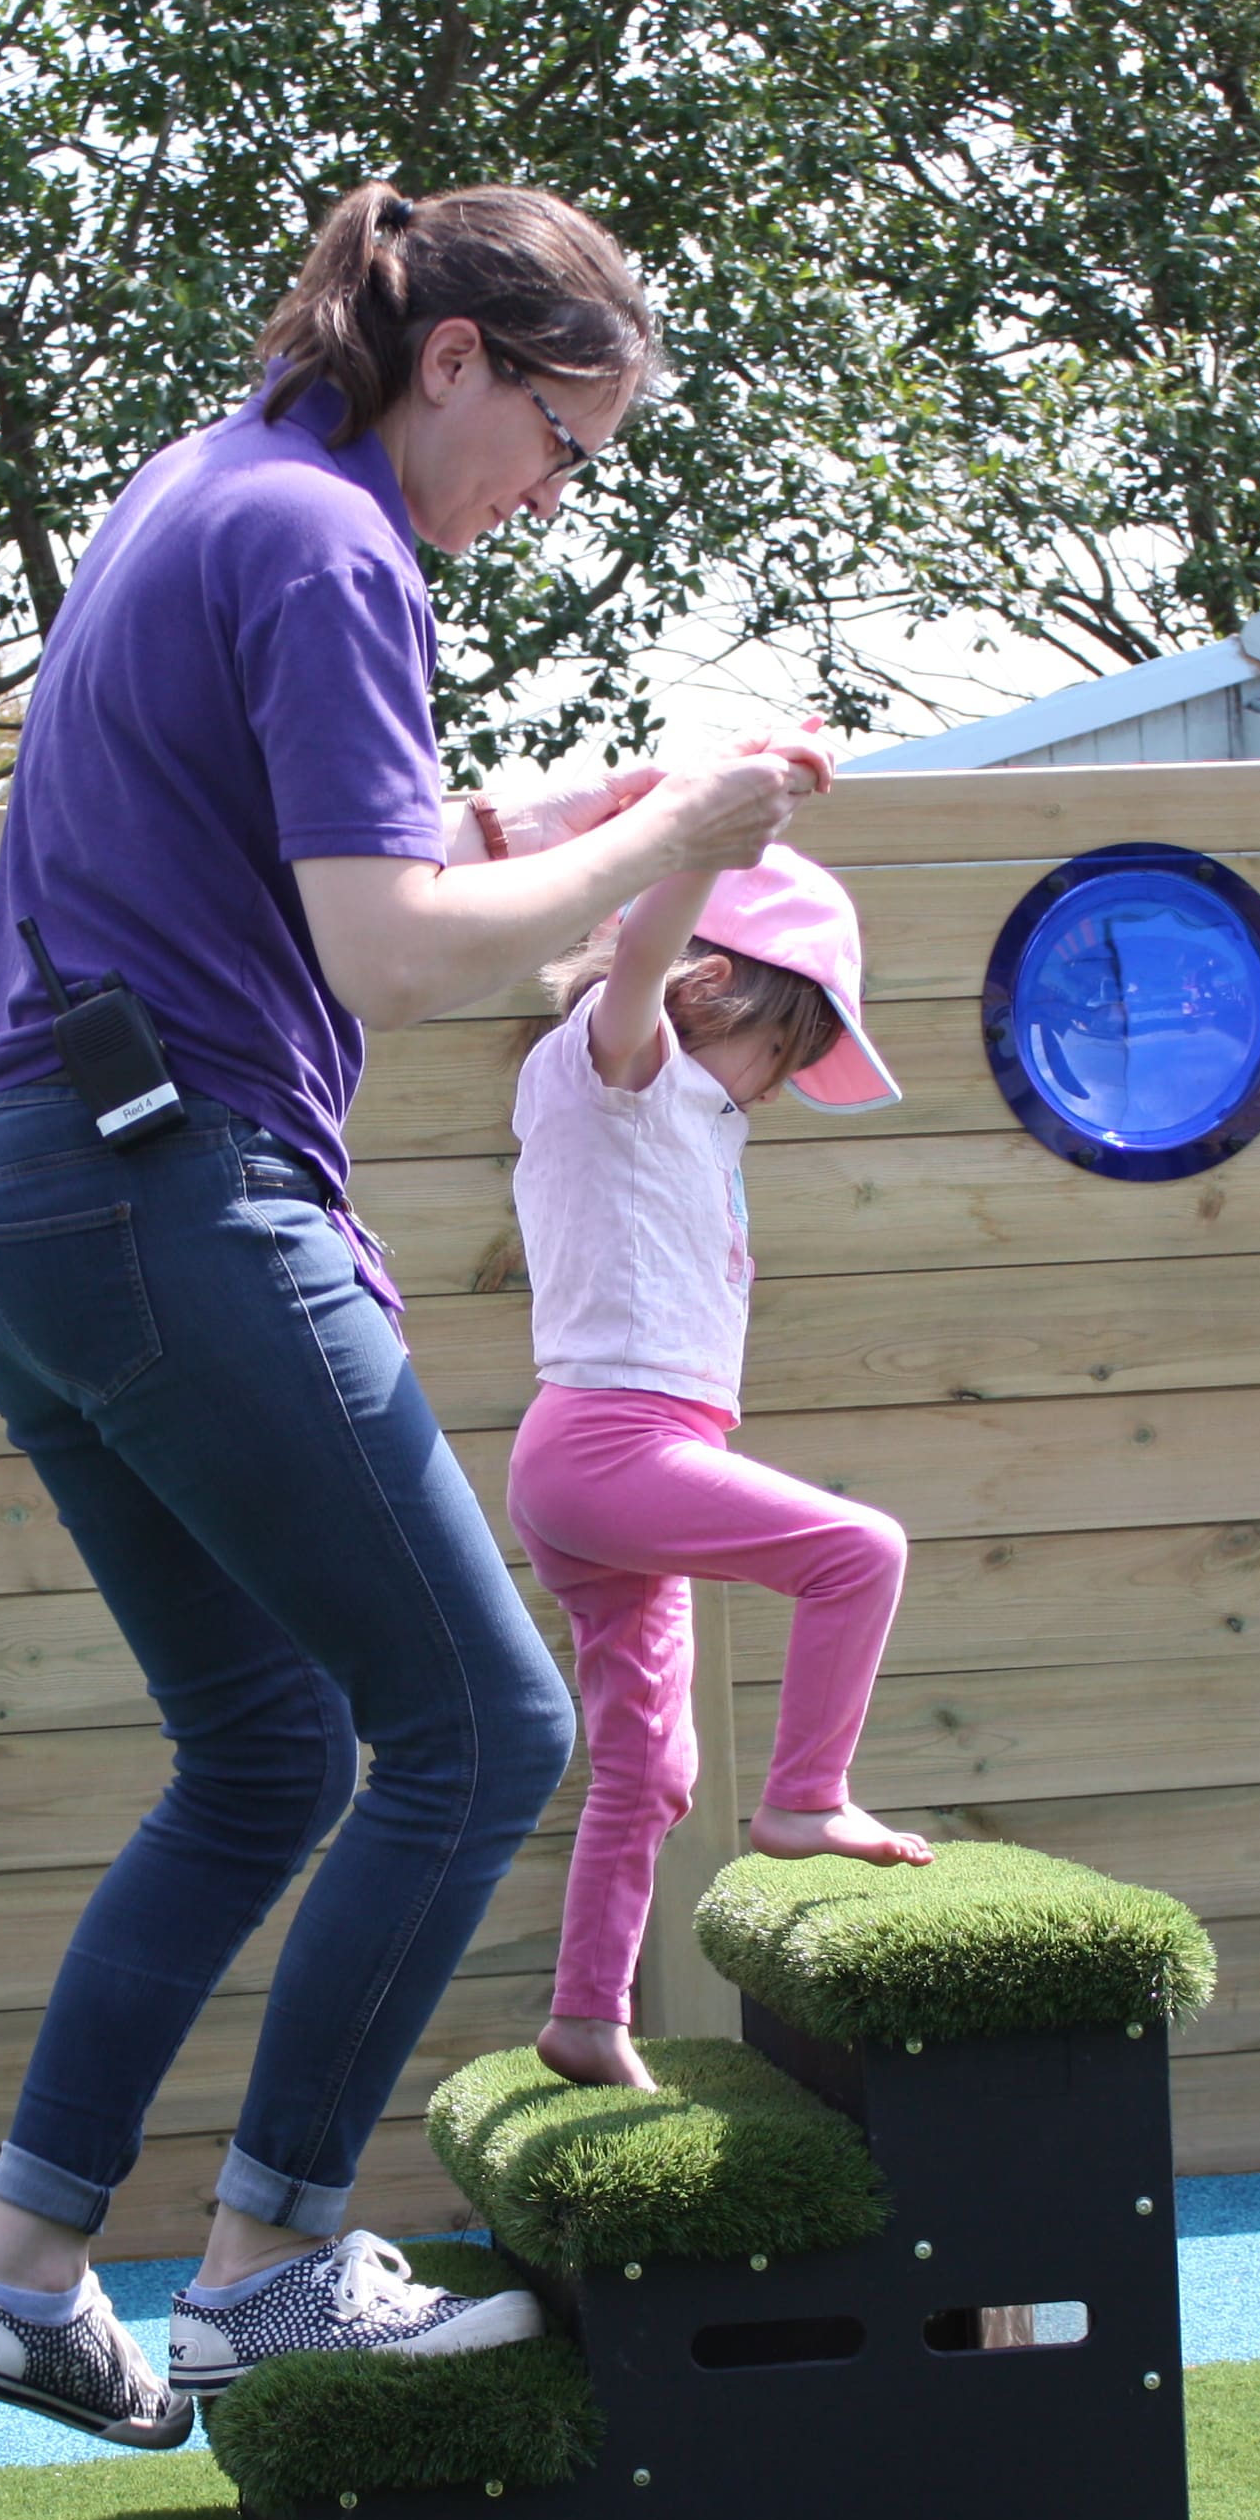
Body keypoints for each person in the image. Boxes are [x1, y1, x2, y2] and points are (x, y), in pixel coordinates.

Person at [0, 181, 833, 2447]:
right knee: (488, 1730)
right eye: (561, 440)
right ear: (455, 363)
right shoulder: (335, 545)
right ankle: (272, 2260)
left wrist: (577, 812)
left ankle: (28, 2270)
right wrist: (685, 835)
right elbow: (396, 955)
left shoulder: (198, 491)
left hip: (27, 1204)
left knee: (264, 1756)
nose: (548, 498)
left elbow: (337, 857)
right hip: (174, 1203)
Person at [502, 846, 938, 2093]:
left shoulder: (685, 1105)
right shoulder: (622, 1063)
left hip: (619, 1458)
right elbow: (640, 952)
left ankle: (587, 2015)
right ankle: (807, 1795)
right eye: (785, 1054)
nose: (785, 1088)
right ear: (720, 991)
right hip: (609, 1445)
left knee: (650, 1771)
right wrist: (706, 836)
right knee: (861, 1550)